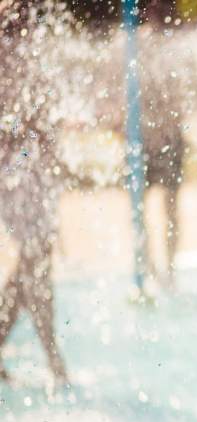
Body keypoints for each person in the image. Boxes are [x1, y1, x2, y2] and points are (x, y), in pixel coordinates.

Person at [0, 0, 70, 387]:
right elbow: (23, 130)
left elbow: (37, 125)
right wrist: (32, 140)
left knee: (33, 264)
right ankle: (53, 357)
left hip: (28, 169)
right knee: (35, 263)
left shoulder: (24, 50)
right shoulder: (11, 56)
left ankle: (13, 343)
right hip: (16, 171)